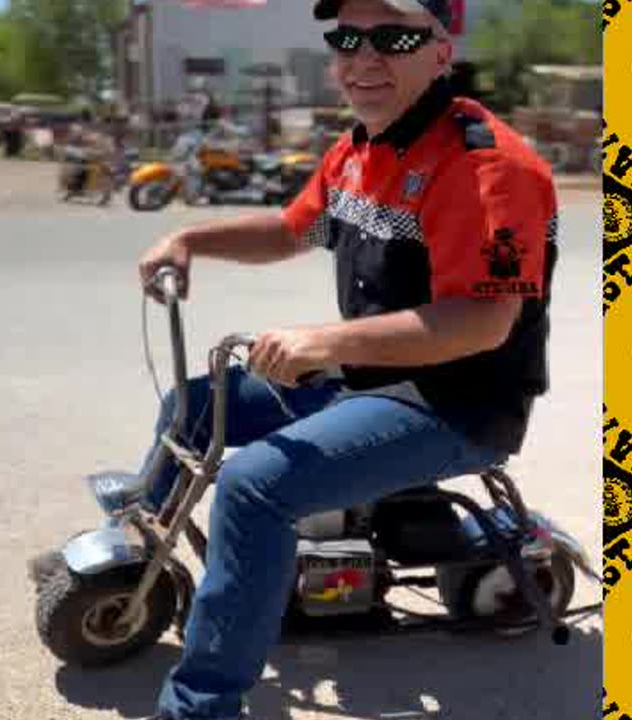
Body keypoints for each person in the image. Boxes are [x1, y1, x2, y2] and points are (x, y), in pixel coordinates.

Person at [131, 0, 557, 717]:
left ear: (440, 51)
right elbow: (289, 230)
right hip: (368, 376)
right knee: (195, 405)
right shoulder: (360, 147)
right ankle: (144, 562)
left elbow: (484, 321)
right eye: (348, 37)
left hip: (453, 402)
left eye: (392, 37)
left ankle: (200, 705)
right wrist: (192, 239)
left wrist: (322, 342)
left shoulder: (488, 167)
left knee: (252, 488)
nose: (365, 57)